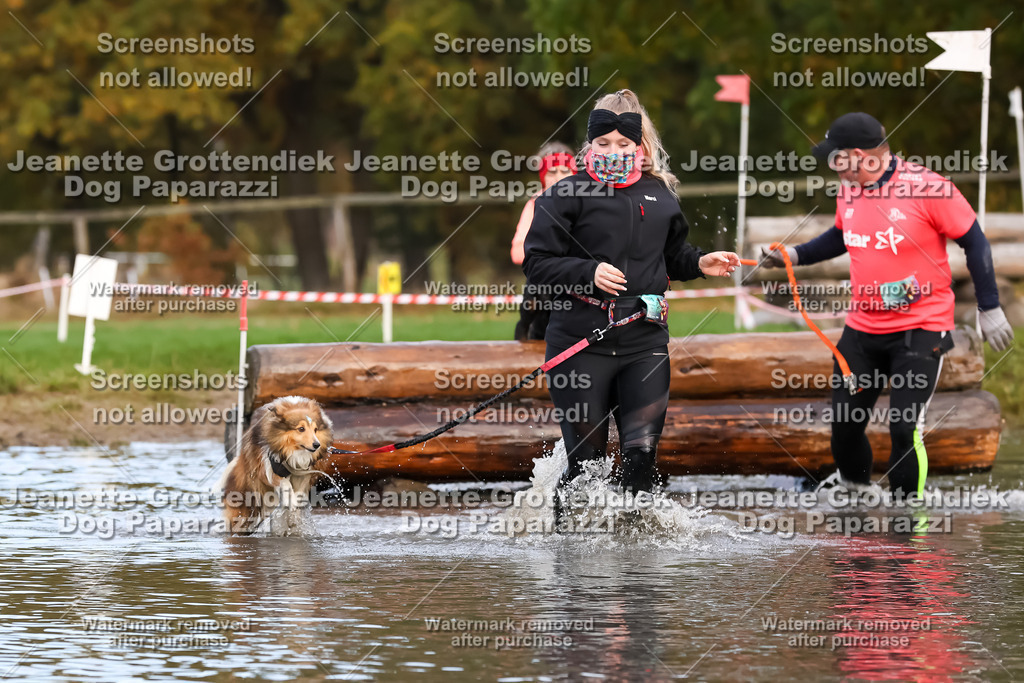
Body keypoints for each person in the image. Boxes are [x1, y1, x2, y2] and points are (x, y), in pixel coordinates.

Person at [760, 112, 1014, 499]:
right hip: (862, 331)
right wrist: (792, 255)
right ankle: (857, 498)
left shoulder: (929, 188)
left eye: (837, 158)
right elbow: (841, 237)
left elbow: (975, 242)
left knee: (903, 426)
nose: (833, 167)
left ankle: (908, 514)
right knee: (845, 424)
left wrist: (989, 306)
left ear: (860, 155)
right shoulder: (850, 188)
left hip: (921, 328)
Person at [523, 89, 741, 523]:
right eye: (603, 144)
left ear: (640, 147)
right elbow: (537, 263)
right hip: (581, 342)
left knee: (641, 459)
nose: (613, 152)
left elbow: (671, 256)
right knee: (587, 465)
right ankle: (573, 569)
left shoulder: (660, 193)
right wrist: (588, 272)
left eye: (623, 145)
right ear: (590, 145)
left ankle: (637, 573)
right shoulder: (565, 195)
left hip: (645, 341)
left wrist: (699, 262)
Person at [512, 142, 578, 341]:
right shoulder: (536, 203)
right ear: (542, 177)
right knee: (537, 290)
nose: (559, 178)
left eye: (565, 171)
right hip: (545, 286)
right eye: (552, 172)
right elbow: (517, 252)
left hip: (579, 280)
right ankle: (526, 339)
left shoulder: (588, 202)